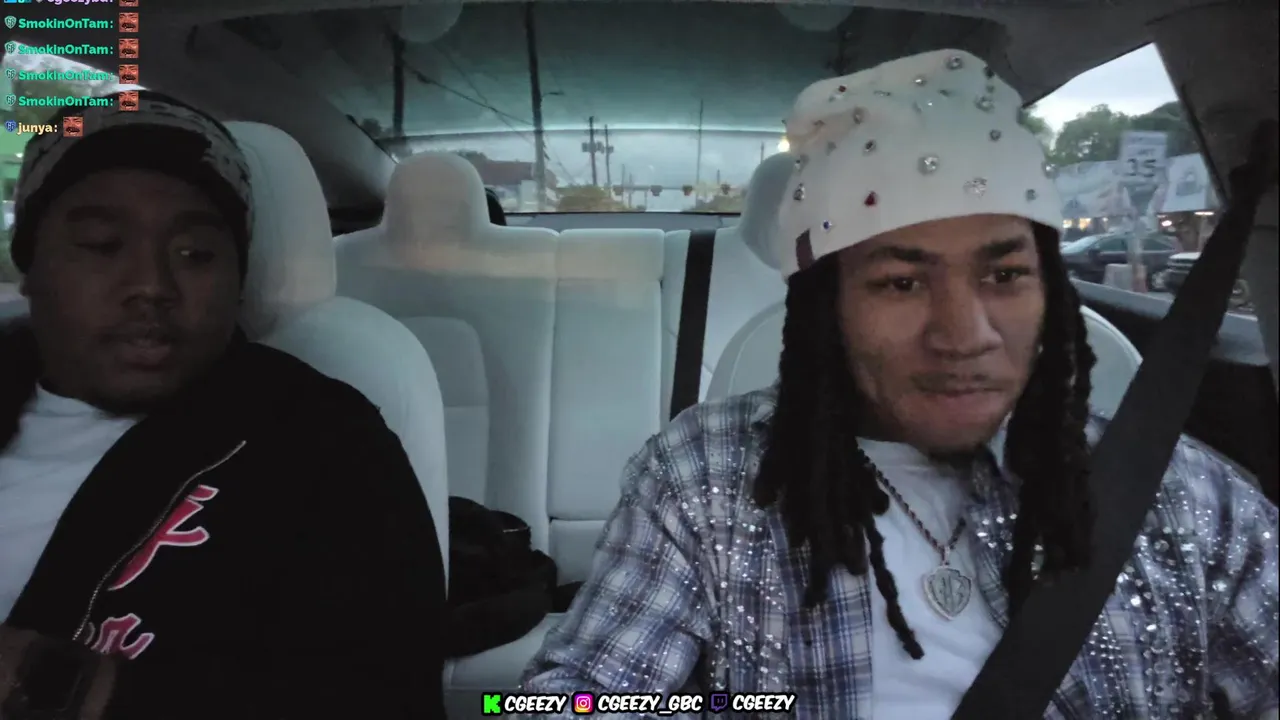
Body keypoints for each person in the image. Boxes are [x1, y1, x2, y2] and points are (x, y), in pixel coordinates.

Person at [520, 50, 1278, 717]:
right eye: (901, 283)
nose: (965, 335)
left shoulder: (1184, 499)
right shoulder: (707, 477)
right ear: (828, 309)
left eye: (1005, 275)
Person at [0, 93, 447, 719]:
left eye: (196, 254)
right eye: (102, 244)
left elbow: (382, 698)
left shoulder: (323, 446)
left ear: (238, 278)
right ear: (31, 268)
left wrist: (57, 684)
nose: (151, 285)